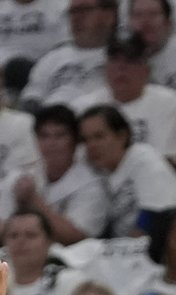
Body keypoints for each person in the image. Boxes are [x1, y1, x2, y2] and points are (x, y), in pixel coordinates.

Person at [78, 105, 176, 239]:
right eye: (86, 140)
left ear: (122, 136)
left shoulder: (142, 157)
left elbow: (156, 212)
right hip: (127, 250)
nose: (91, 146)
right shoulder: (97, 173)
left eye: (99, 137)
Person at [0, 105, 105, 246]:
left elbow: (77, 237)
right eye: (44, 136)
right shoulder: (21, 177)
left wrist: (33, 201)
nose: (51, 143)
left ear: (74, 141)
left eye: (59, 135)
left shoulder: (92, 185)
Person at [71, 34, 176, 158]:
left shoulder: (166, 102)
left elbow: (163, 158)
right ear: (105, 69)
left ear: (146, 70)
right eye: (114, 60)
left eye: (130, 60)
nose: (121, 68)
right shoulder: (83, 107)